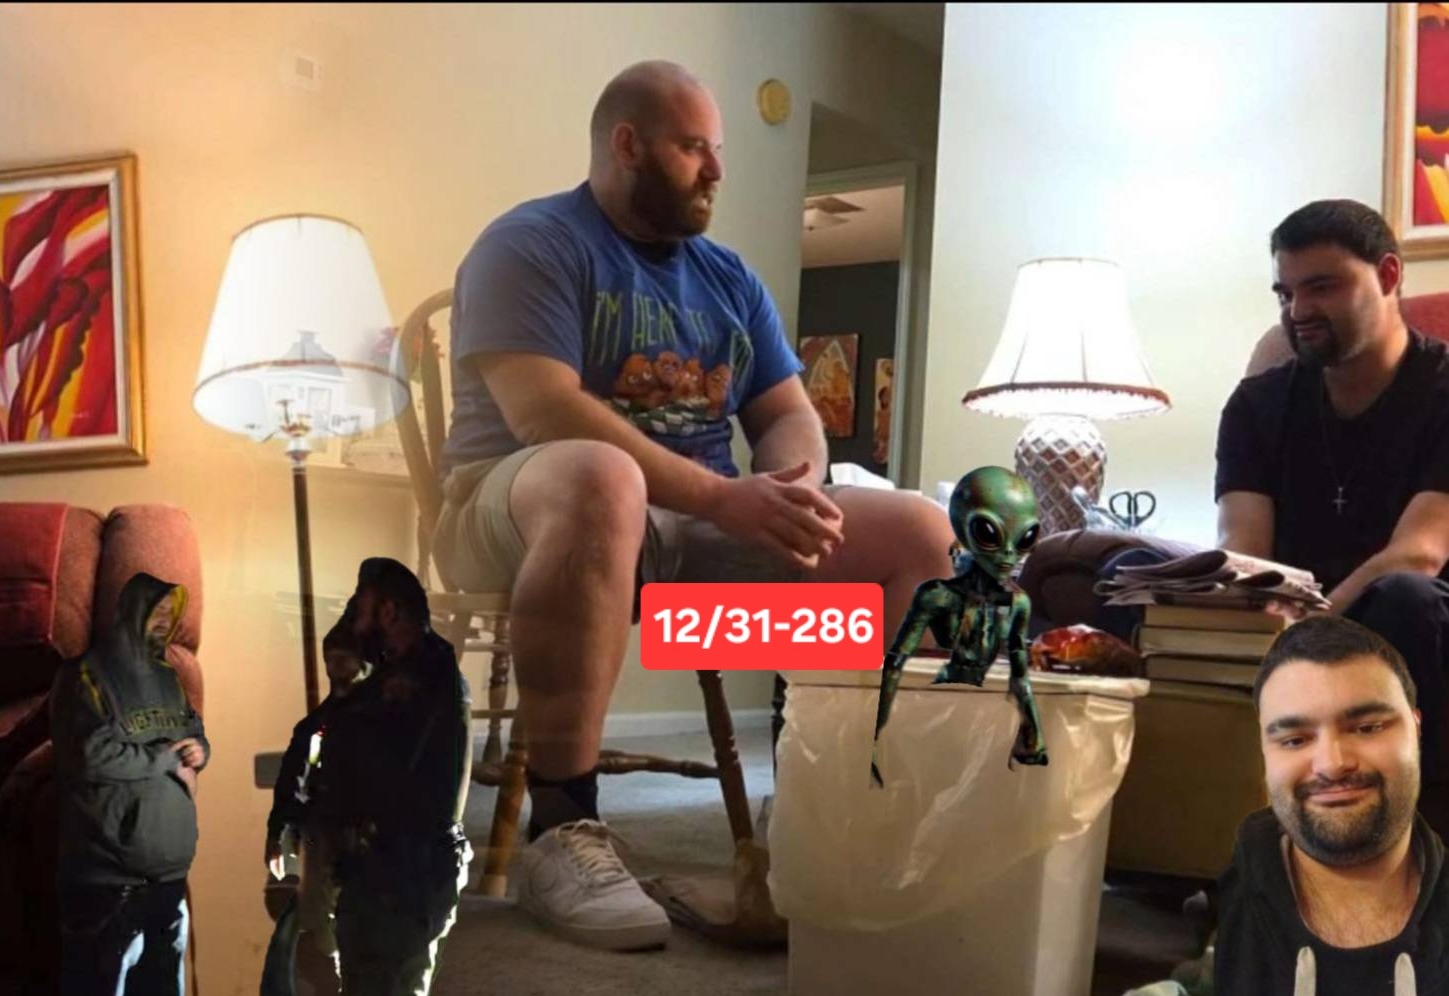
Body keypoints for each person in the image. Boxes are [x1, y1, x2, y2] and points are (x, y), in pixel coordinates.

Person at [436, 59, 954, 948]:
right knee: (604, 477)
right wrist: (723, 497)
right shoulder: (529, 244)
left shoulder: (728, 279)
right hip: (516, 515)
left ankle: (843, 817)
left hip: (689, 563)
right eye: (693, 148)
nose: (716, 170)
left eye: (718, 149)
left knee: (916, 530)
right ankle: (562, 829)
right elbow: (545, 412)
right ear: (627, 146)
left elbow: (787, 412)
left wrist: (789, 492)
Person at [1215, 199, 1449, 788]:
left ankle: (1411, 822)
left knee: (1404, 597)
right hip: (1289, 624)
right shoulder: (1256, 406)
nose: (1299, 312)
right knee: (1124, 572)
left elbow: (1420, 553)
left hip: (1415, 622)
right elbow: (1244, 553)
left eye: (1321, 287)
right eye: (1285, 293)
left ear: (1388, 275)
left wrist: (1306, 631)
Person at [1213, 616, 1449, 994]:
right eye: (1295, 740)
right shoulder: (1221, 906)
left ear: (1416, 729)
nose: (1332, 764)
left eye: (1367, 728)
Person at [290, 557, 470, 996]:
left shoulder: (408, 687)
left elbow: (370, 773)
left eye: (360, 608)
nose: (355, 620)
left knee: (378, 974)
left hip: (395, 872)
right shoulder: (430, 671)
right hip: (412, 865)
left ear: (388, 612)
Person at [53, 572, 209, 996]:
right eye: (156, 611)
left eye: (170, 613)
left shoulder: (169, 678)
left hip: (169, 879)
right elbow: (88, 755)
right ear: (132, 612)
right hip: (109, 884)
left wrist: (199, 751)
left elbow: (193, 731)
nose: (164, 621)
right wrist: (164, 759)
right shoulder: (85, 675)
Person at [261, 614, 371, 996]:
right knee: (320, 922)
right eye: (331, 659)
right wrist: (279, 831)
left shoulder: (385, 720)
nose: (336, 667)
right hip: (325, 833)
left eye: (345, 658)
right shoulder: (318, 727)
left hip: (373, 837)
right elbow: (295, 780)